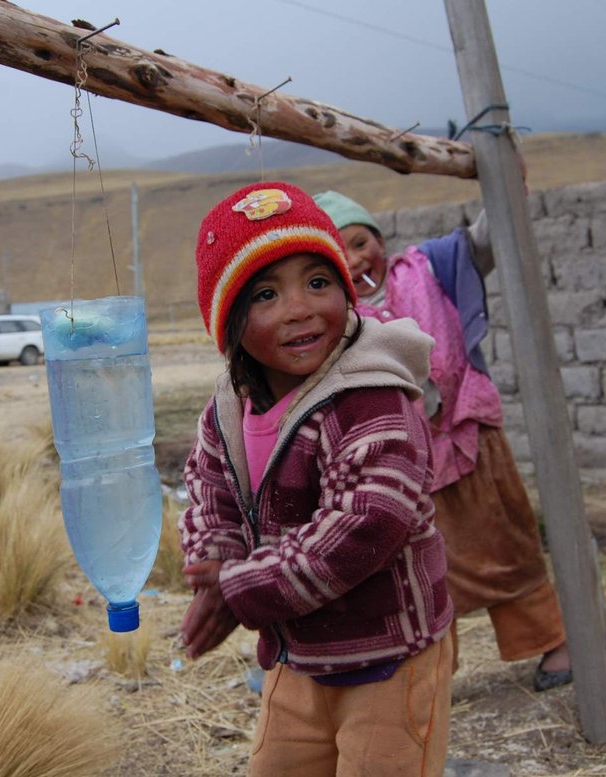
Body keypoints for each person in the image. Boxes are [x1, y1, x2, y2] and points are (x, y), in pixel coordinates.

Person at [178, 181, 454, 776]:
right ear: (228, 322)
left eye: (319, 282)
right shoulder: (229, 407)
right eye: (266, 294)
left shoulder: (371, 397)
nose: (299, 308)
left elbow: (363, 527)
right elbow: (208, 489)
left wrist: (238, 587)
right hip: (298, 657)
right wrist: (214, 563)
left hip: (389, 659)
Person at [311, 189, 573, 692]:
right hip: (402, 460)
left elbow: (488, 236)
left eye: (362, 242)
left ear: (380, 241)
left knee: (506, 543)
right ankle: (429, 675)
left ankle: (553, 641)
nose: (356, 259)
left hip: (469, 438)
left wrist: (506, 178)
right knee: (420, 569)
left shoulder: (430, 267)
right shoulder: (335, 318)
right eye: (340, 252)